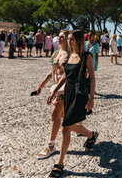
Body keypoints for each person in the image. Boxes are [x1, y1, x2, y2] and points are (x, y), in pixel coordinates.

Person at [47, 30, 98, 178]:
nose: (69, 42)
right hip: (68, 92)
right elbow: (65, 76)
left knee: (65, 128)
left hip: (79, 94)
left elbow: (92, 78)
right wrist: (54, 91)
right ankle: (91, 135)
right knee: (68, 123)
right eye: (68, 39)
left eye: (71, 40)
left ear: (79, 41)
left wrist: (92, 98)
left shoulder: (86, 56)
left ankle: (59, 163)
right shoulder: (69, 56)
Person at [34, 30, 69, 160]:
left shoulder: (70, 54)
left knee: (55, 114)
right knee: (65, 119)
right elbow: (51, 72)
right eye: (58, 37)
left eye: (61, 37)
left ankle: (50, 145)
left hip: (65, 89)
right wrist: (41, 85)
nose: (58, 39)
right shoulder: (56, 53)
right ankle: (90, 134)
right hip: (56, 86)